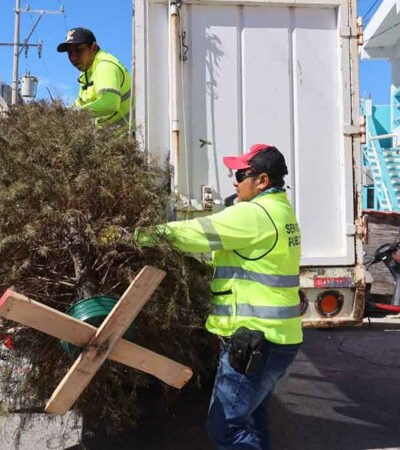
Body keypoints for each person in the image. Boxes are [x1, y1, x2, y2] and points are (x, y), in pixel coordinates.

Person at [135, 144, 303, 449]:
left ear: (262, 180)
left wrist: (138, 235)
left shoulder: (255, 214)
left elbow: (195, 232)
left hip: (257, 341)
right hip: (276, 338)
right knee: (252, 417)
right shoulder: (280, 209)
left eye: (240, 174)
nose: (234, 181)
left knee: (225, 427)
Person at [57, 27, 131, 127]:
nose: (73, 57)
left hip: (132, 138)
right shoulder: (87, 72)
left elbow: (110, 103)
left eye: (79, 50)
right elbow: (80, 104)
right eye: (69, 52)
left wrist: (75, 113)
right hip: (109, 139)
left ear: (93, 47)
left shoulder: (105, 65)